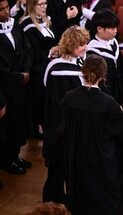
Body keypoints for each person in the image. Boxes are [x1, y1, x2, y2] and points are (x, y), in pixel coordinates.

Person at [61, 55, 123, 215]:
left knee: (81, 202)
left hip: (77, 161)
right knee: (110, 204)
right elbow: (119, 127)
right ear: (104, 76)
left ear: (83, 72)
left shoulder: (69, 98)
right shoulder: (107, 103)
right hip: (102, 163)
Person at [42, 25, 89, 204]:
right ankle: (50, 208)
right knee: (57, 172)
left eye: (85, 43)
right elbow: (62, 104)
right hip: (60, 128)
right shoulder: (60, 70)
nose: (85, 47)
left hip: (64, 127)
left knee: (62, 171)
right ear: (70, 45)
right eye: (80, 45)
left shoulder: (69, 64)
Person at [87, 9, 123, 171]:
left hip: (120, 97)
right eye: (111, 28)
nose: (116, 31)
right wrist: (113, 105)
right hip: (106, 102)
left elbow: (122, 73)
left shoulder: (113, 44)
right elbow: (99, 83)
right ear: (99, 29)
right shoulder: (92, 52)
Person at [0, 0, 32, 174]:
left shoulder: (15, 26)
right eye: (1, 9)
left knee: (19, 121)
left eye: (6, 8)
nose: (6, 12)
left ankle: (15, 155)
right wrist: (19, 76)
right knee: (8, 125)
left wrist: (26, 71)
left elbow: (27, 50)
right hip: (6, 87)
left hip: (20, 85)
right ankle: (6, 160)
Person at [20, 0, 59, 138]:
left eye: (46, 3)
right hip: (36, 70)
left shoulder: (46, 21)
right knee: (37, 100)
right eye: (40, 4)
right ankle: (34, 130)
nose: (44, 7)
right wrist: (50, 51)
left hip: (49, 66)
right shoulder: (26, 25)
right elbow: (31, 51)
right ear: (32, 6)